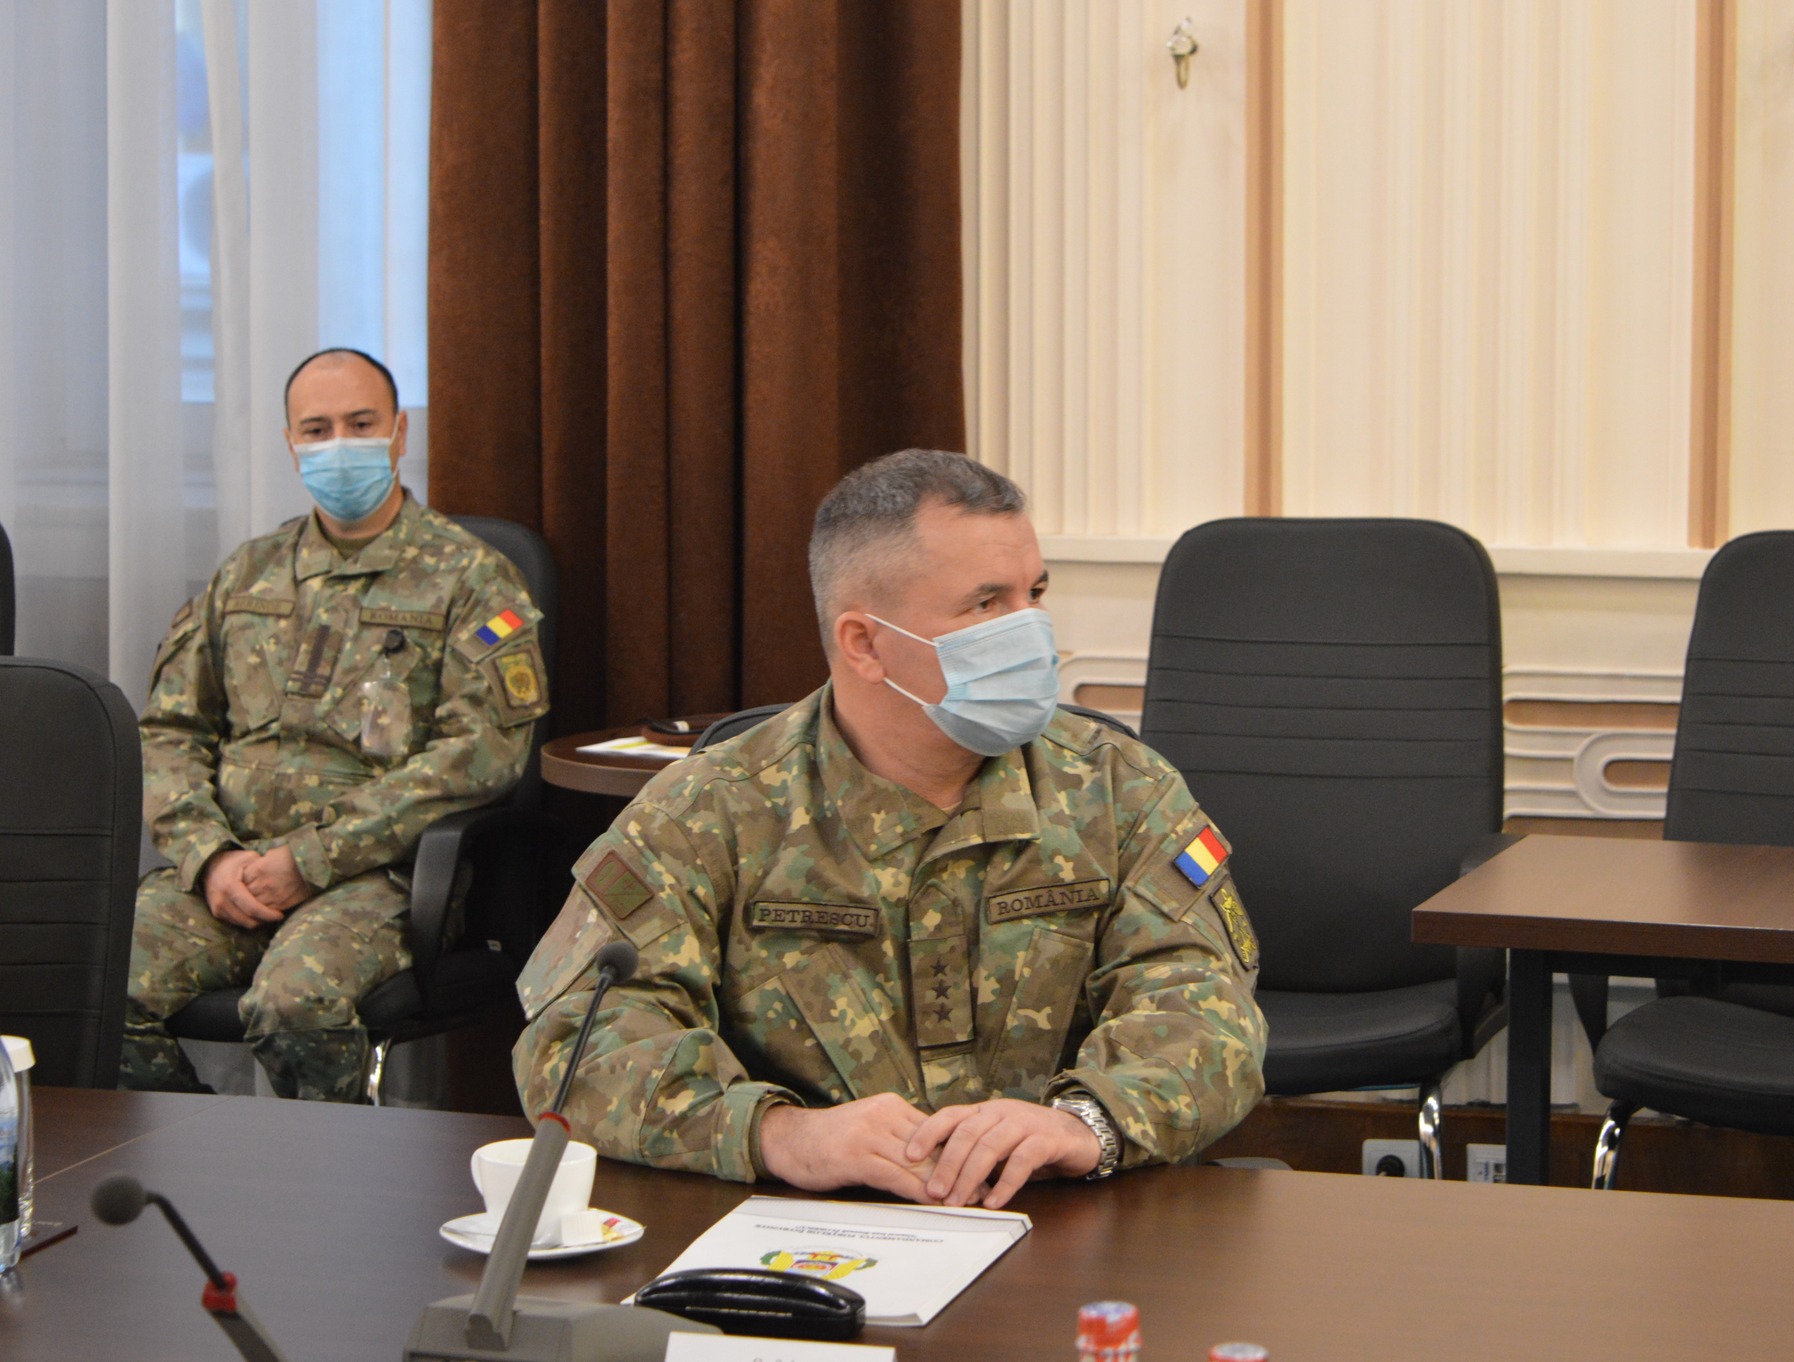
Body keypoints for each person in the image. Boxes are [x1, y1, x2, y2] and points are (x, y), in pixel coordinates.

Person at [514, 449, 1264, 1210]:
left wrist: (1085, 1123)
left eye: (1035, 593)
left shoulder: (1120, 788)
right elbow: (572, 1046)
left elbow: (1209, 1013)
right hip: (811, 1225)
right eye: (986, 604)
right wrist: (777, 1134)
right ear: (865, 644)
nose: (1032, 630)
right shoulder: (710, 811)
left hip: (1062, 1213)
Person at [121, 347, 549, 1103]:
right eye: (317, 430)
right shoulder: (246, 573)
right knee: (89, 979)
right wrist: (208, 856)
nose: (338, 445)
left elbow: (478, 757)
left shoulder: (473, 578)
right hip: (229, 871)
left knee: (295, 1005)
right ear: (291, 444)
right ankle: (198, 1158)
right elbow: (170, 730)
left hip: (374, 878)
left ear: (399, 433)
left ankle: (323, 1173)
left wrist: (311, 857)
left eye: (360, 424)